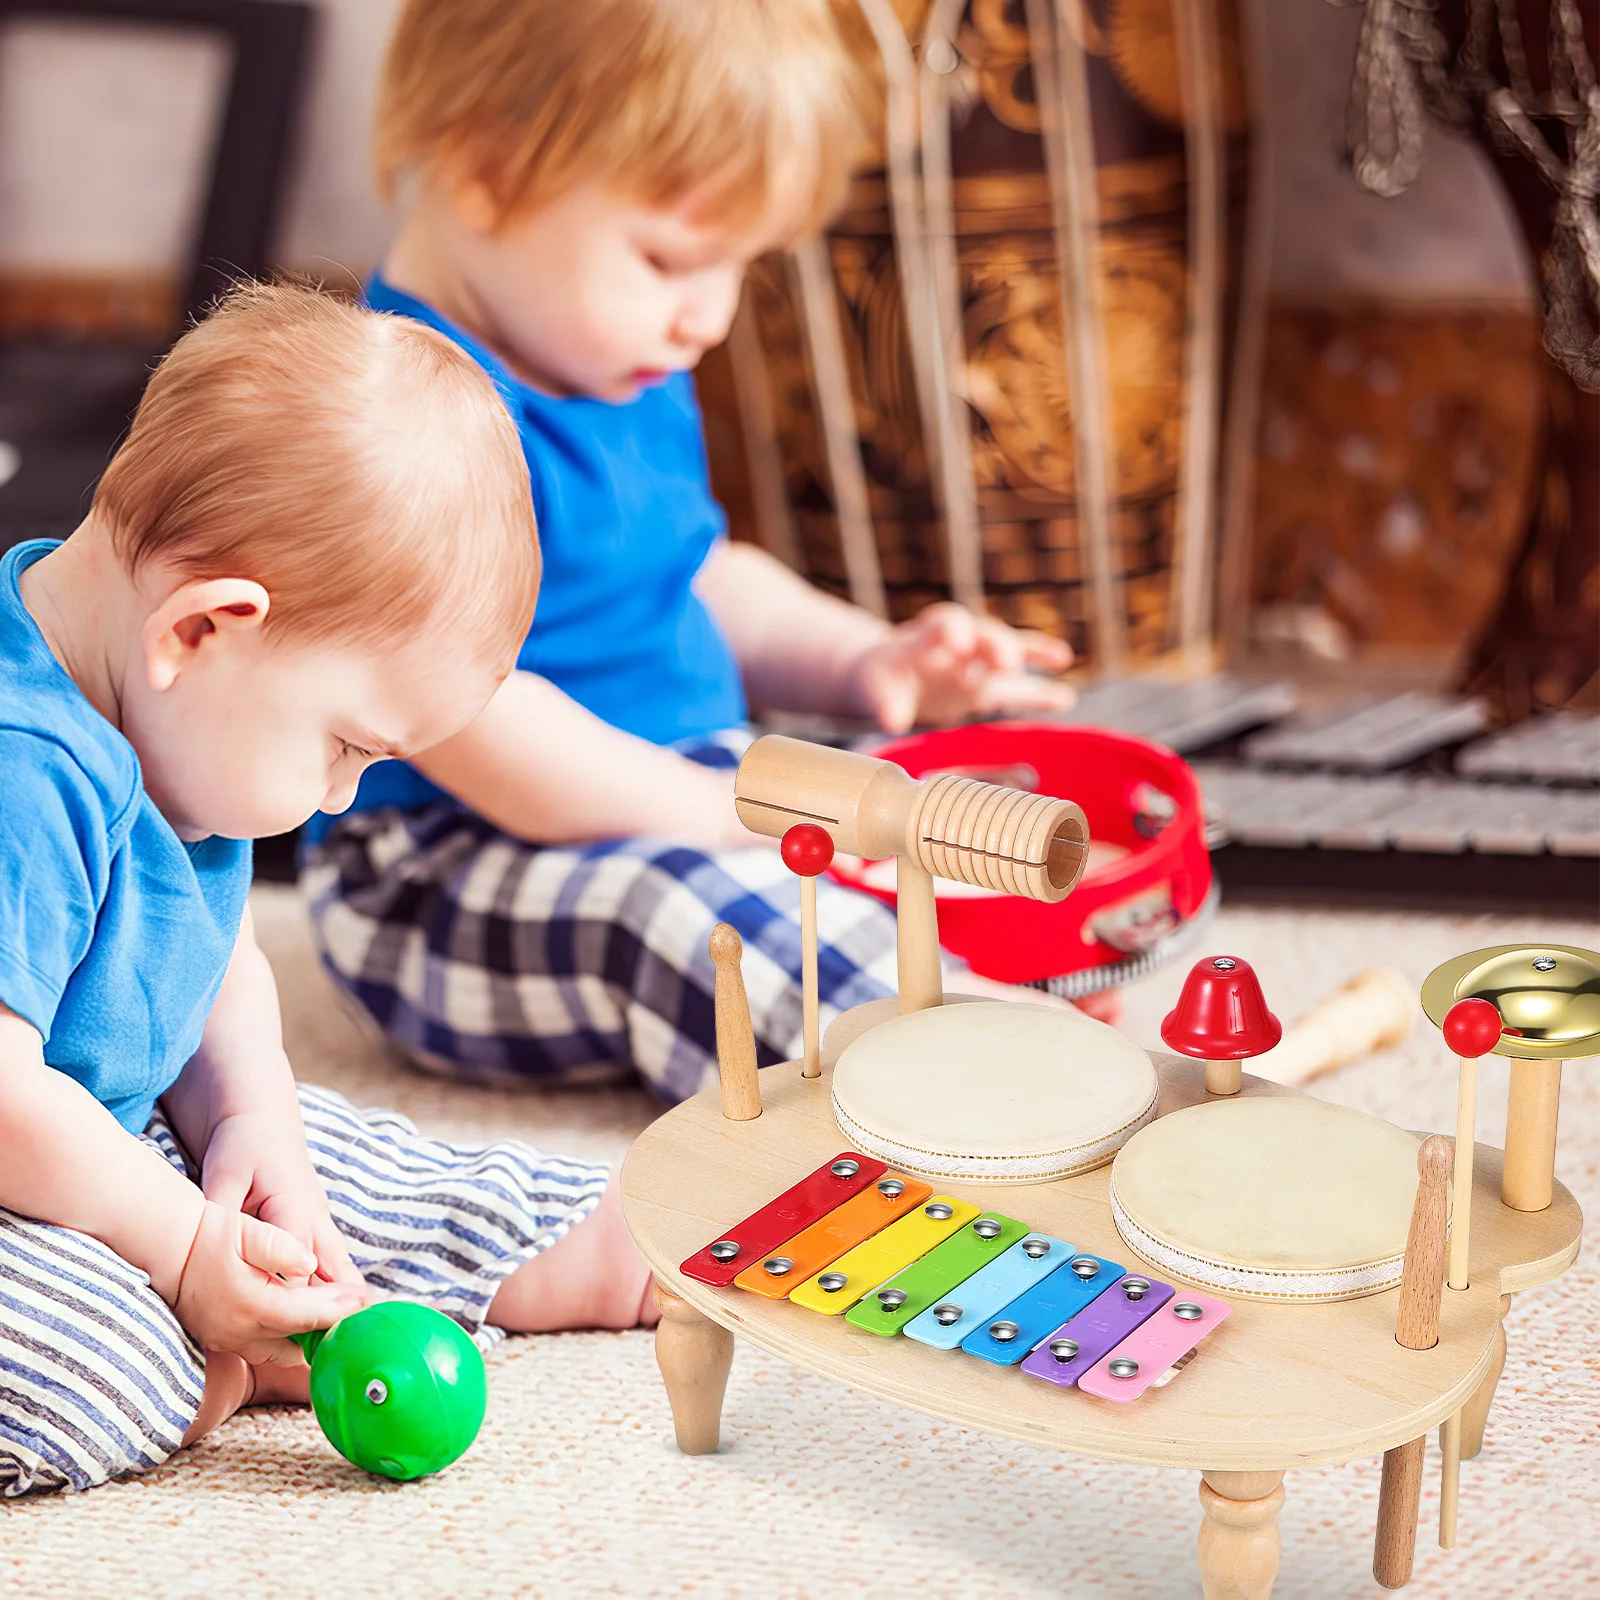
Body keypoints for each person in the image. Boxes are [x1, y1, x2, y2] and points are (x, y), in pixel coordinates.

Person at [303, 0, 1086, 1105]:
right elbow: (476, 721)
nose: (707, 319)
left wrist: (868, 658)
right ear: (485, 168)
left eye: (739, 267)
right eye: (670, 260)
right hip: (443, 870)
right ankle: (950, 1083)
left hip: (672, 784)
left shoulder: (616, 364)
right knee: (689, 911)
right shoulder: (398, 421)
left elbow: (699, 574)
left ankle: (984, 999)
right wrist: (717, 815)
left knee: (894, 809)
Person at [0, 283, 653, 1497]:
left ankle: (550, 1243)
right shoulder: (21, 765)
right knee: (87, 1347)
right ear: (204, 630)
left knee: (336, 1172)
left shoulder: (166, 707)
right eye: (347, 747)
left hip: (95, 1125)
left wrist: (254, 1121)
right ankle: (197, 1343)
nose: (344, 796)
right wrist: (185, 1244)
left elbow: (215, 949)